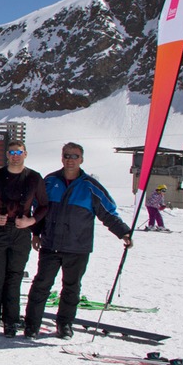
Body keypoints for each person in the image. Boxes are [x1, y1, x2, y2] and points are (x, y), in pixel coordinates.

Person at [25, 142, 132, 339]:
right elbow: (38, 210)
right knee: (41, 285)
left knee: (71, 288)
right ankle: (32, 325)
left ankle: (65, 325)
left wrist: (123, 232)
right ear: (61, 158)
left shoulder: (90, 186)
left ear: (81, 159)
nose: (70, 160)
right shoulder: (49, 181)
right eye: (67, 155)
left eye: (74, 156)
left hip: (78, 247)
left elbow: (108, 212)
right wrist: (36, 233)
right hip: (51, 244)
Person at [0, 139, 48, 337]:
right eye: (11, 153)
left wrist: (31, 221)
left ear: (25, 154)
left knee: (14, 278)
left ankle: (10, 321)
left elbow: (44, 205)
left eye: (19, 153)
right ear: (6, 155)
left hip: (20, 233)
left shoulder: (34, 178)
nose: (15, 156)